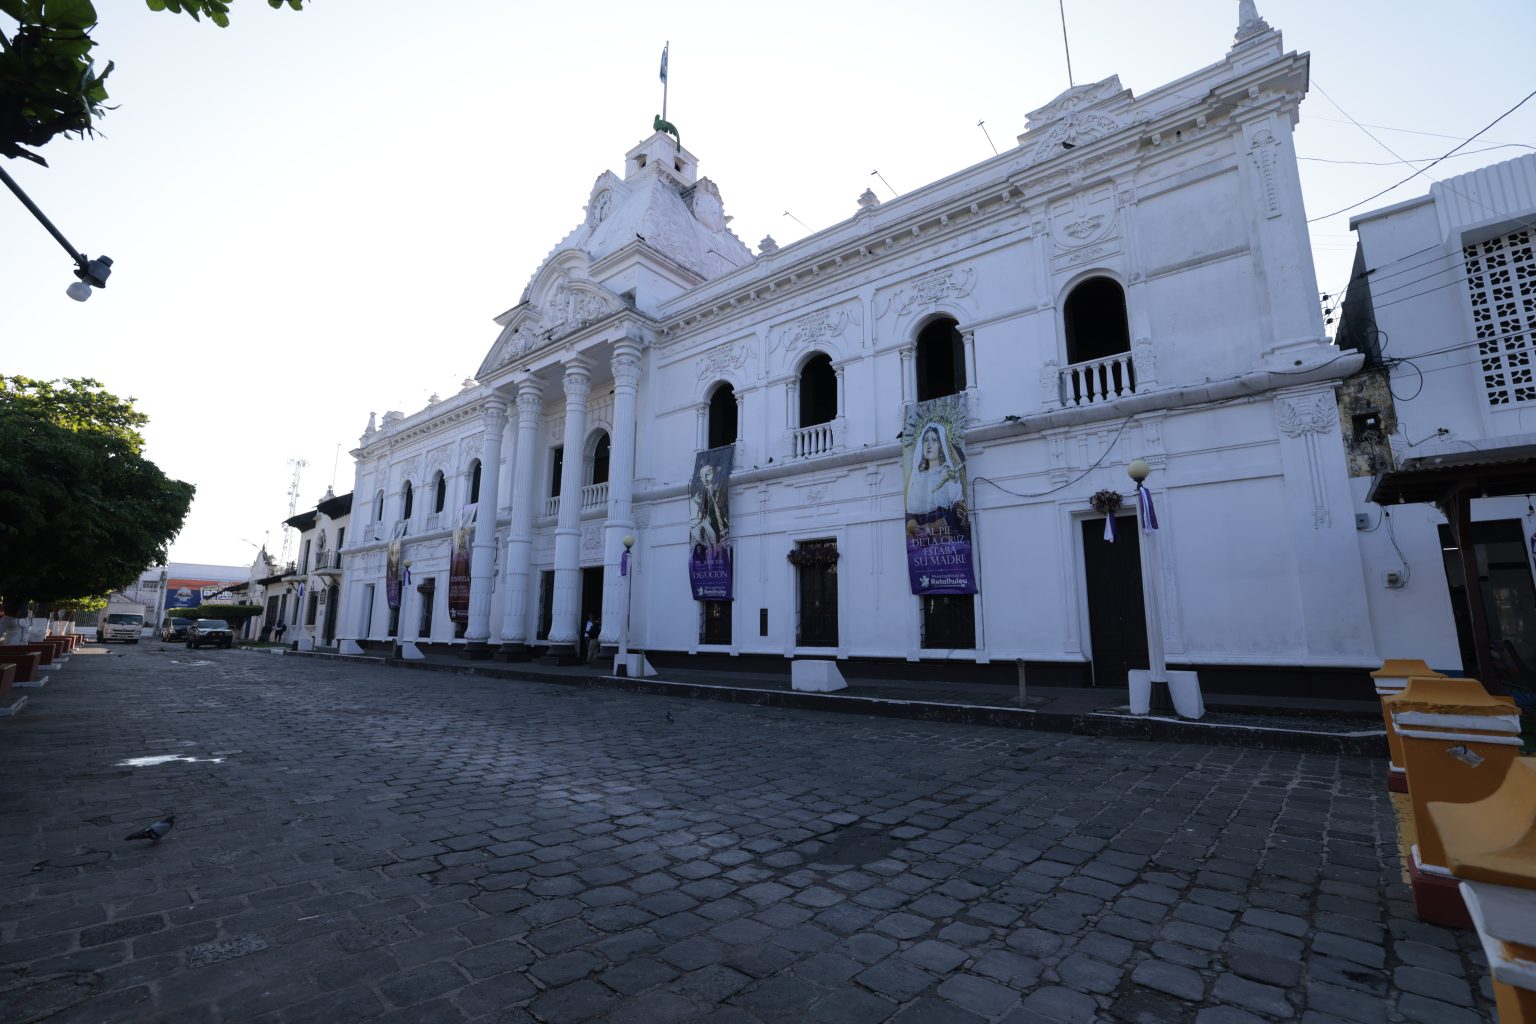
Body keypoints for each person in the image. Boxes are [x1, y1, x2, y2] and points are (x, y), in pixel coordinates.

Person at [905, 422, 967, 541]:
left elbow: (959, 512)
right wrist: (914, 527)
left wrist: (932, 527)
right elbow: (910, 513)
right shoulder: (916, 475)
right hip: (921, 540)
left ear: (941, 445)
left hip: (948, 536)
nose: (928, 445)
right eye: (926, 440)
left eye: (934, 440)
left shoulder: (949, 473)